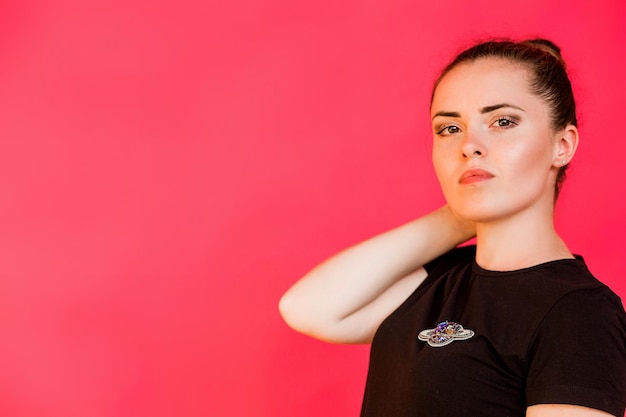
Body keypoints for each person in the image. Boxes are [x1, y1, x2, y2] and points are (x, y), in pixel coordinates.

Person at [279, 38, 626, 416]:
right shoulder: (438, 281)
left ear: (563, 144)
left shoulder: (579, 311)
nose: (470, 146)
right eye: (448, 129)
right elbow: (307, 309)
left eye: (503, 121)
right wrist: (461, 215)